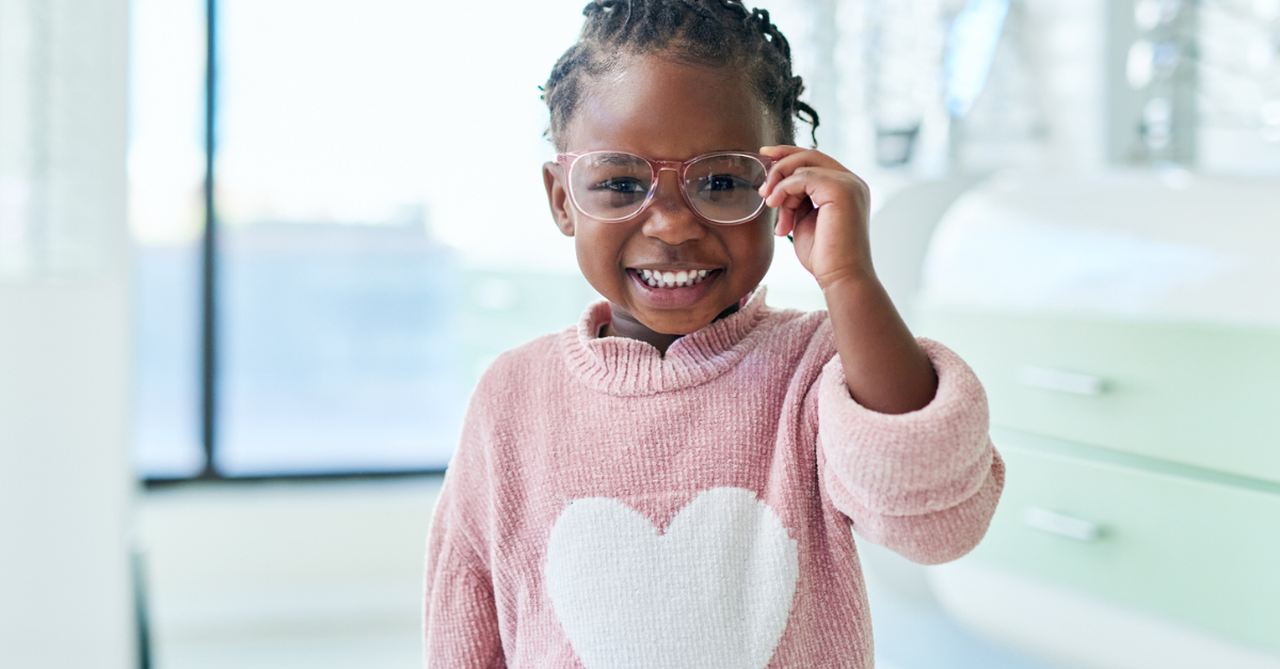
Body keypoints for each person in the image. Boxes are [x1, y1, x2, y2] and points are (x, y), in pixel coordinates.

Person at [423, 1, 1004, 666]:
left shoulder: (820, 370)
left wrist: (849, 277)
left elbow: (939, 522)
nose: (671, 224)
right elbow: (463, 621)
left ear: (785, 188)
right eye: (618, 183)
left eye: (723, 181)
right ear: (562, 199)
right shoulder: (512, 397)